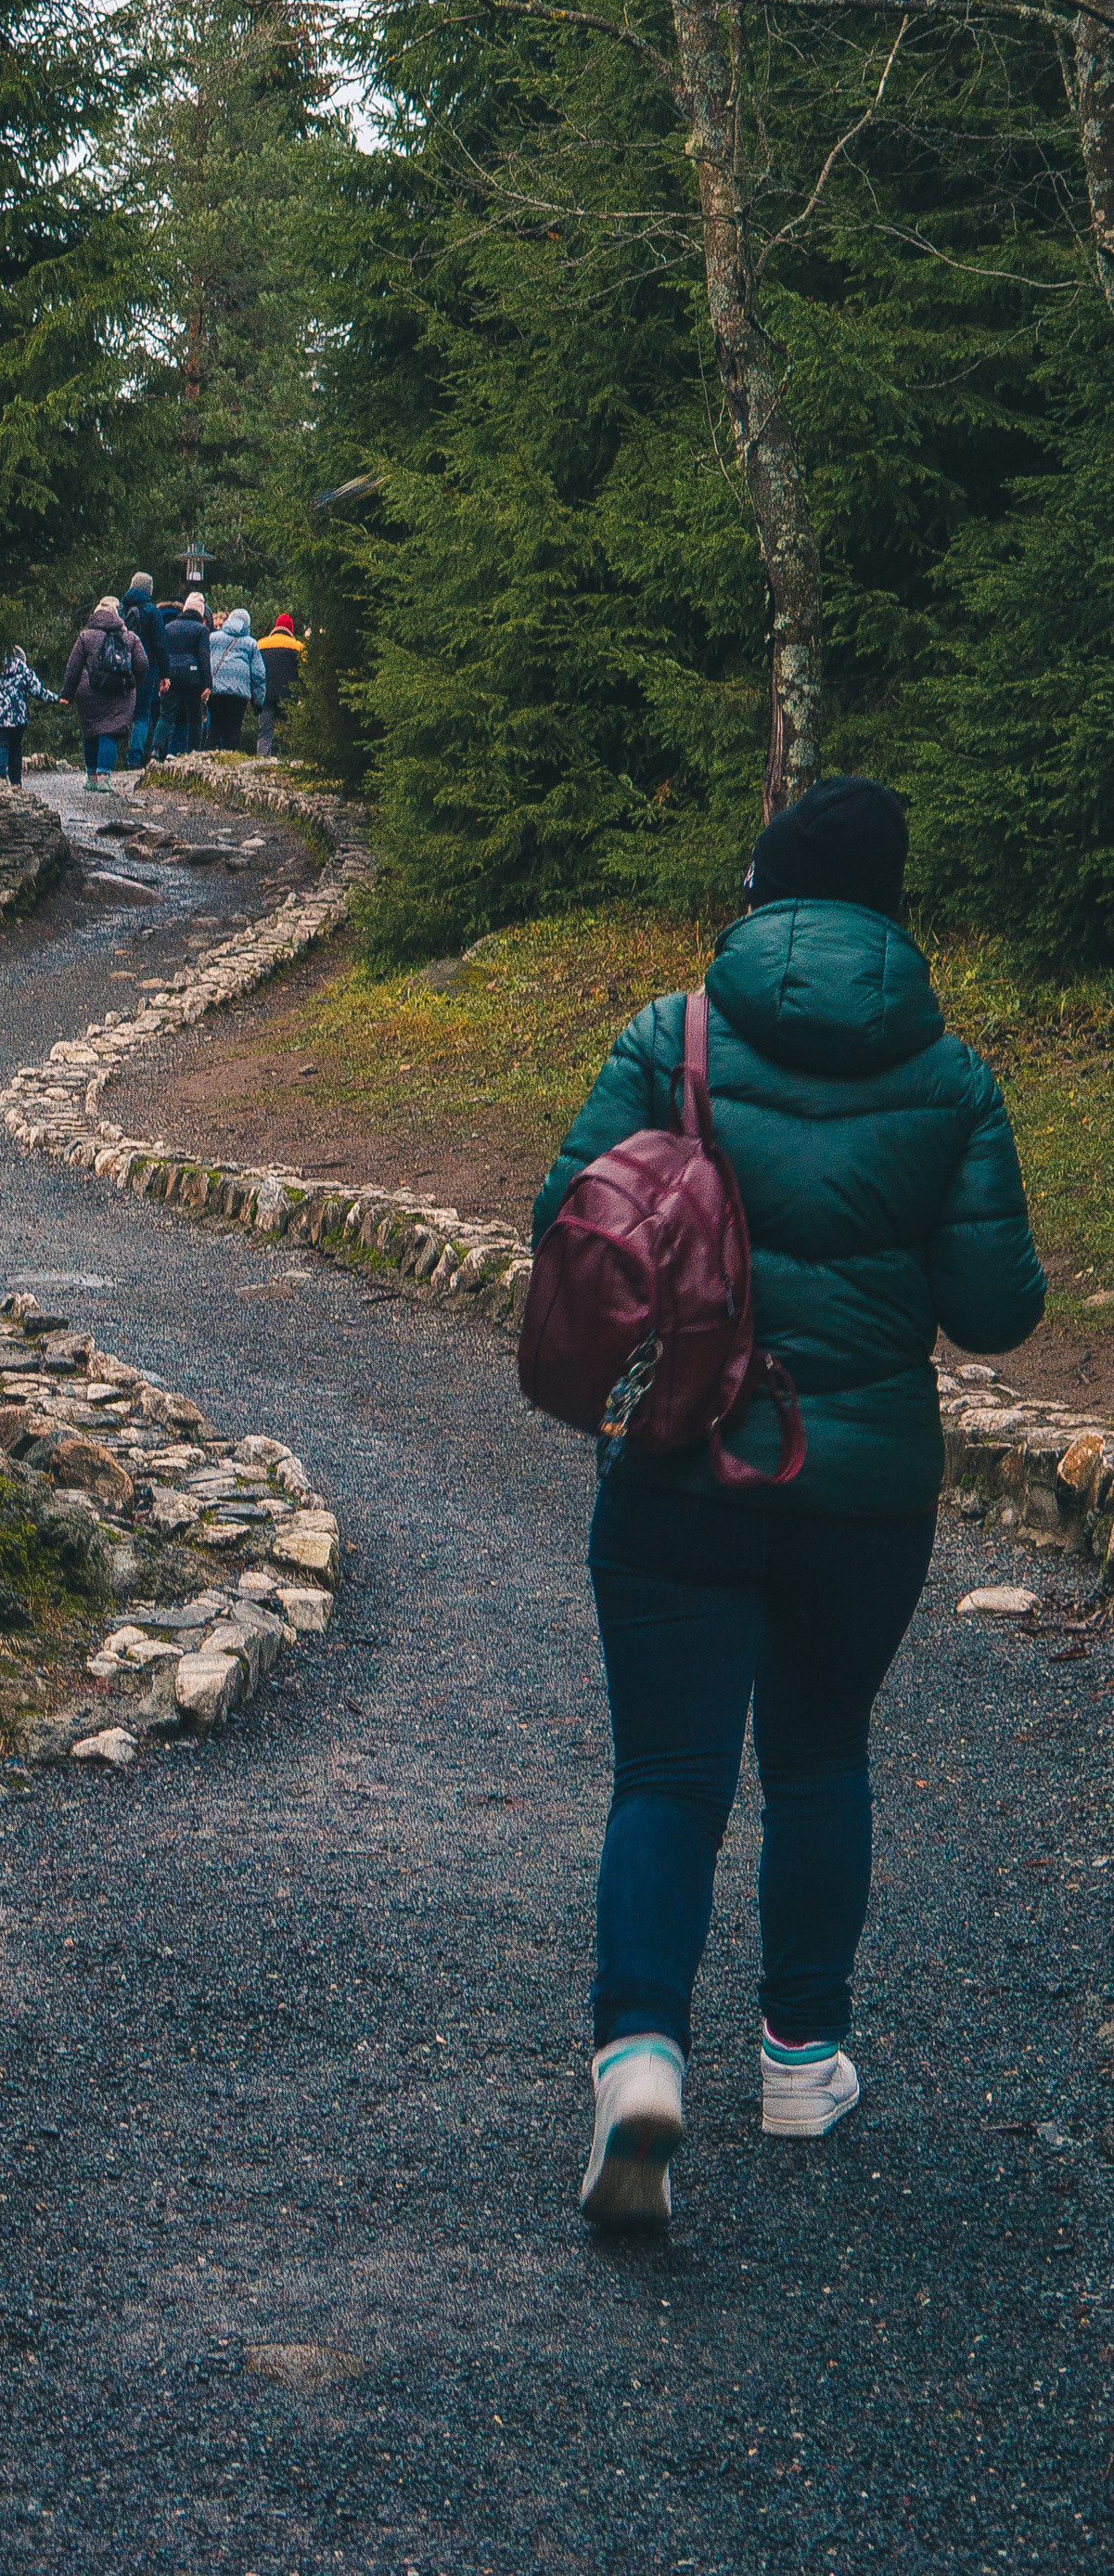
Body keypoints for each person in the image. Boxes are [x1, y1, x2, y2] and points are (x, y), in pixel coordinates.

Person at [537, 775, 1044, 2232]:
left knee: (665, 1780)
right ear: (893, 911)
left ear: (761, 890)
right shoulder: (948, 1077)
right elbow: (997, 1309)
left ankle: (639, 2059)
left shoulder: (671, 1035)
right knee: (818, 1762)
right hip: (860, 1488)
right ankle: (800, 2060)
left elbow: (562, 1226)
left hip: (678, 1468)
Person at [62, 595, 141, 791]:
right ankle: (104, 776)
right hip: (118, 691)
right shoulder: (130, 637)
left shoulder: (85, 636)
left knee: (91, 732)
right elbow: (143, 663)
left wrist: (67, 694)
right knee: (109, 731)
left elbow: (73, 667)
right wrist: (133, 682)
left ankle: (91, 777)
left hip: (89, 692)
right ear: (117, 614)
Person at [119, 570, 173, 769]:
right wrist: (165, 673)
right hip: (146, 668)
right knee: (142, 714)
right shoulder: (152, 612)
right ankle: (134, 758)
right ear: (149, 590)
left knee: (120, 711)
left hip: (120, 667)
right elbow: (161, 644)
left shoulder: (121, 609)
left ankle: (109, 757)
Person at [0, 647, 58, 786]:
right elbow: (38, 691)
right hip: (18, 717)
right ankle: (15, 782)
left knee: (1, 745)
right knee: (15, 748)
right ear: (22, 658)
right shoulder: (25, 671)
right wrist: (57, 699)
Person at [207, 602, 266, 751]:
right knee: (233, 728)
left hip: (216, 689)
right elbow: (258, 673)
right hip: (239, 693)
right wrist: (258, 700)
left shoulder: (213, 638)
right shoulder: (251, 643)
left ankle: (207, 755)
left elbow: (205, 661)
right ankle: (230, 758)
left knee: (215, 724)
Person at [161, 591, 213, 756]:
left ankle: (156, 751)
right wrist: (207, 683)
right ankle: (193, 753)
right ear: (201, 611)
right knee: (195, 718)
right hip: (192, 676)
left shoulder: (169, 627)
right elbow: (204, 657)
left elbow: (163, 653)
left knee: (167, 716)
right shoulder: (201, 629)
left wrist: (162, 676)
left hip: (171, 674)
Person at [258, 612, 307, 757]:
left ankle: (262, 760)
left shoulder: (261, 644)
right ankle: (288, 762)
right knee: (288, 732)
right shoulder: (299, 647)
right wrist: (302, 696)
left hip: (266, 695)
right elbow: (305, 674)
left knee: (265, 731)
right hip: (289, 697)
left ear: (276, 627)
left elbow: (255, 671)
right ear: (290, 630)